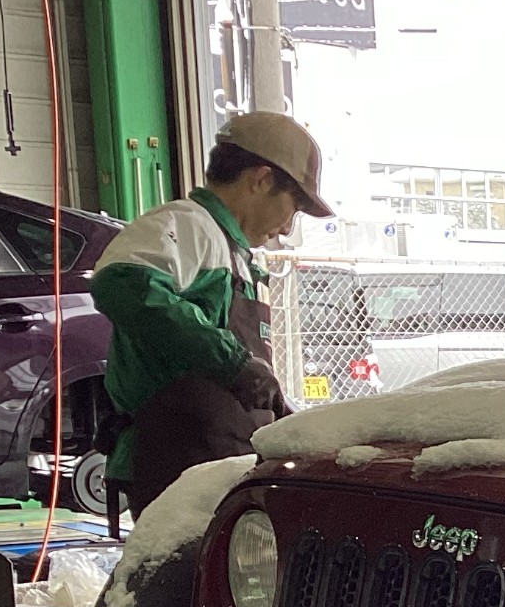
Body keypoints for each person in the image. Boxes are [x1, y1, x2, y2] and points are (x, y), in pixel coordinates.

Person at [91, 111, 332, 516]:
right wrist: (232, 362)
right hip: (176, 461)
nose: (288, 228)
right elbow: (120, 284)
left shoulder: (236, 256)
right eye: (294, 207)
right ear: (261, 179)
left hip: (220, 459)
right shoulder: (187, 226)